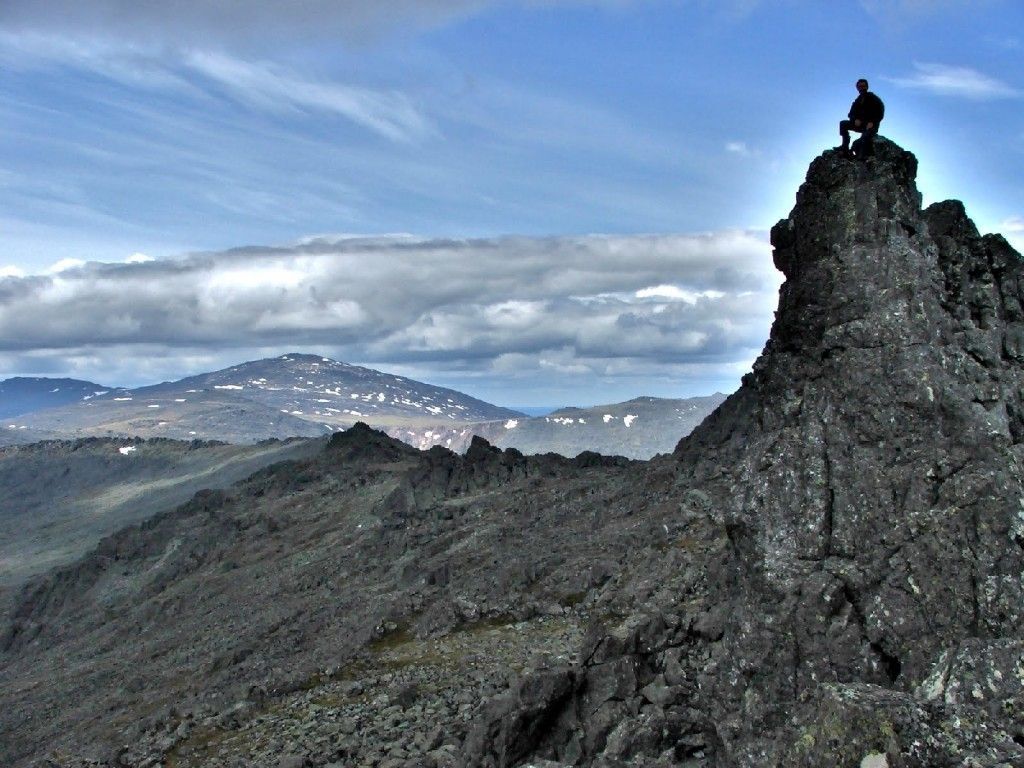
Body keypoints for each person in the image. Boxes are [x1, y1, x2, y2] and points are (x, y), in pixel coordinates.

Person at [839, 78, 884, 159]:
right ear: (857, 88)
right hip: (860, 125)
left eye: (863, 86)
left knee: (865, 137)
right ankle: (844, 147)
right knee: (843, 124)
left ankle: (861, 156)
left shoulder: (873, 98)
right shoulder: (857, 101)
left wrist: (873, 122)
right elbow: (850, 114)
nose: (861, 88)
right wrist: (855, 119)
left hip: (871, 126)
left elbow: (880, 111)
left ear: (867, 87)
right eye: (859, 87)